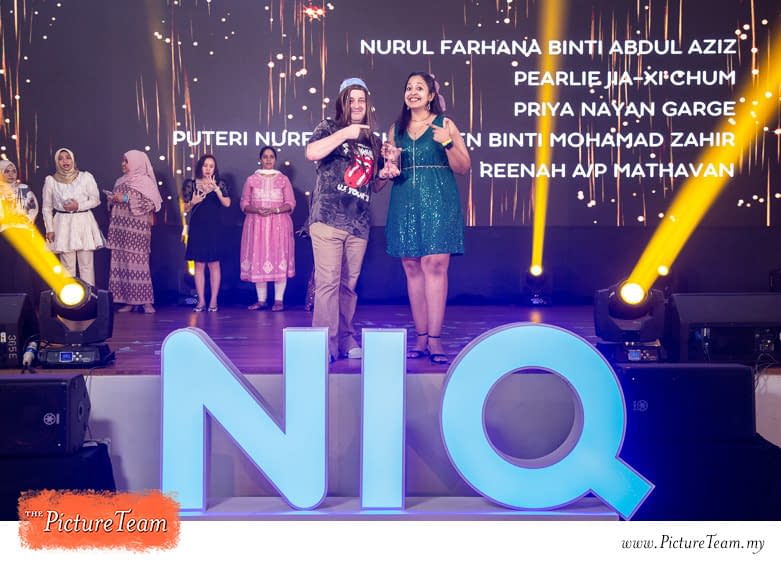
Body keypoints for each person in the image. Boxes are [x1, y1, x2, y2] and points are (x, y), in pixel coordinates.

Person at [383, 72, 471, 364]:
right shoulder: (395, 129)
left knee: (435, 264)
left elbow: (464, 167)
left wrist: (448, 143)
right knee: (411, 265)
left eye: (419, 88)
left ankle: (435, 339)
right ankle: (420, 337)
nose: (413, 92)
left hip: (439, 200)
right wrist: (390, 163)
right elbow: (390, 168)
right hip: (405, 200)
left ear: (431, 95)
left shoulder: (445, 124)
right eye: (409, 87)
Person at [305, 77, 388, 361]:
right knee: (328, 283)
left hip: (358, 223)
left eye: (361, 100)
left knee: (347, 287)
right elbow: (311, 152)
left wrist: (385, 175)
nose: (356, 105)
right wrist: (345, 134)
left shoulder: (373, 140)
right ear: (342, 103)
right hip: (328, 218)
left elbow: (373, 184)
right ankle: (324, 343)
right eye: (351, 100)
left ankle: (345, 337)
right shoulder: (329, 127)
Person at [239, 146, 296, 311]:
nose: (268, 159)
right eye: (265, 156)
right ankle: (261, 300)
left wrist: (275, 210)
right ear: (260, 159)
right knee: (259, 258)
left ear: (275, 160)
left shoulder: (283, 179)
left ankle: (279, 300)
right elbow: (244, 203)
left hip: (279, 225)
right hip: (256, 225)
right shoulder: (251, 179)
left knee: (279, 258)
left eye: (271, 157)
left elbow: (291, 203)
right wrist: (257, 210)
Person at [106, 150, 162, 314]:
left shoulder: (146, 182)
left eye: (127, 161)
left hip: (137, 230)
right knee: (122, 265)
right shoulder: (119, 181)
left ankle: (146, 303)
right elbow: (114, 205)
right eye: (123, 161)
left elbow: (151, 204)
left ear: (136, 162)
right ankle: (129, 301)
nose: (123, 164)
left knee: (139, 266)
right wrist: (112, 200)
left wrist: (125, 199)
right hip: (120, 229)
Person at [41, 148, 105, 286]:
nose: (65, 161)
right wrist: (49, 229)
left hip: (83, 221)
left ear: (73, 160)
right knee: (67, 265)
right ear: (57, 162)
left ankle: (89, 296)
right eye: (61, 158)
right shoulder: (51, 180)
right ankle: (69, 297)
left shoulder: (85, 177)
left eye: (68, 157)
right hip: (63, 223)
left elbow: (95, 200)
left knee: (86, 265)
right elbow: (47, 207)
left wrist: (78, 206)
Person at [182, 154, 231, 312]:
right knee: (199, 265)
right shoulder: (191, 184)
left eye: (211, 166)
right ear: (200, 167)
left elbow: (227, 203)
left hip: (215, 229)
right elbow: (185, 208)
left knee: (214, 264)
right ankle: (201, 301)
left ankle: (213, 301)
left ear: (215, 168)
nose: (208, 169)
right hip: (198, 228)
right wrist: (193, 202)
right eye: (205, 165)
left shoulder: (220, 183)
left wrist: (216, 189)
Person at [0, 159, 43, 297]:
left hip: (23, 231)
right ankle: (7, 301)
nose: (11, 174)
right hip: (4, 233)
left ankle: (25, 300)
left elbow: (33, 208)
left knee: (23, 267)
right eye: (7, 171)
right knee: (5, 267)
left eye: (14, 171)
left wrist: (24, 220)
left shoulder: (24, 188)